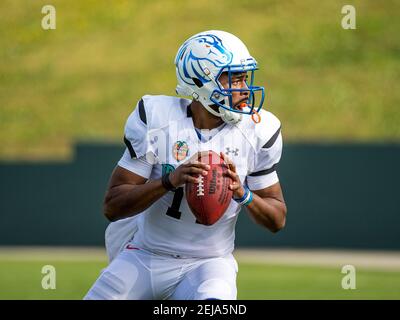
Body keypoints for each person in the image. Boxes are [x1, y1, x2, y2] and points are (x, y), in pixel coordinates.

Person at [84, 30, 287, 300]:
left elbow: (277, 219)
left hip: (209, 263)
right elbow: (112, 207)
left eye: (244, 78)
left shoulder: (258, 131)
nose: (244, 89)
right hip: (146, 256)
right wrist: (169, 181)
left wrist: (243, 194)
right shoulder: (157, 119)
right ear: (200, 80)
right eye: (234, 78)